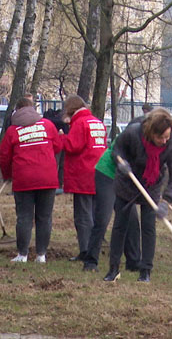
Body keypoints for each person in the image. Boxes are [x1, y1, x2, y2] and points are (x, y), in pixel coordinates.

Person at [105, 108, 172, 283]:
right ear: (150, 132)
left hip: (151, 185)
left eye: (167, 136)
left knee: (148, 227)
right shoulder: (133, 133)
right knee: (120, 225)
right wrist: (121, 163)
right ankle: (113, 268)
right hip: (127, 183)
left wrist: (167, 200)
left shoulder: (170, 145)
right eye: (160, 137)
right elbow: (116, 150)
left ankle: (145, 270)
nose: (164, 141)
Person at [0, 97, 61, 263]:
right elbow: (58, 146)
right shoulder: (47, 125)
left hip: (23, 179)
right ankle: (41, 254)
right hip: (47, 178)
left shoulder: (13, 130)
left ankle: (22, 254)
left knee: (24, 217)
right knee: (45, 217)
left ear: (17, 112)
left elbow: (4, 156)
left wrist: (7, 175)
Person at [82, 134, 141, 272]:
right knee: (103, 218)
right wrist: (125, 164)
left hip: (126, 179)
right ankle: (90, 261)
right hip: (107, 173)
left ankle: (133, 262)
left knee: (131, 218)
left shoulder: (157, 144)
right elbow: (116, 152)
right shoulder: (133, 135)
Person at [59, 96, 107, 262]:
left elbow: (73, 146)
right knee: (94, 213)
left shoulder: (80, 123)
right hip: (99, 172)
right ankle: (94, 248)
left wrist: (61, 137)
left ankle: (86, 251)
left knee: (83, 215)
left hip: (83, 174)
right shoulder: (97, 122)